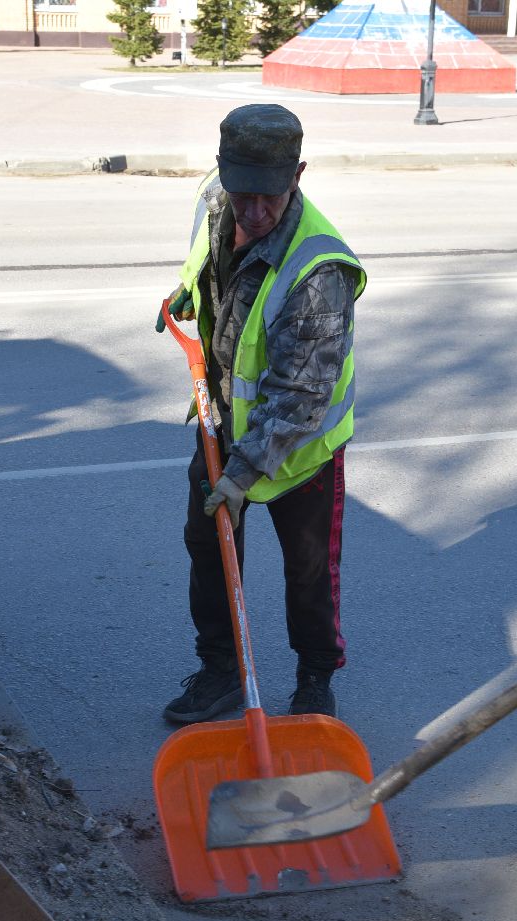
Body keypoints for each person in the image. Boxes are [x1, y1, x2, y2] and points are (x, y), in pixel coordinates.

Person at [155, 104, 364, 725]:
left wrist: (243, 473)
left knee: (308, 570)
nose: (252, 210)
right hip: (222, 419)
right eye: (241, 192)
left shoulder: (319, 270)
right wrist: (189, 294)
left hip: (299, 447)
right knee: (209, 547)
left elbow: (301, 395)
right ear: (223, 171)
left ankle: (315, 680)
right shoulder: (214, 200)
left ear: (297, 175)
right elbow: (208, 265)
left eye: (267, 197)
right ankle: (221, 671)